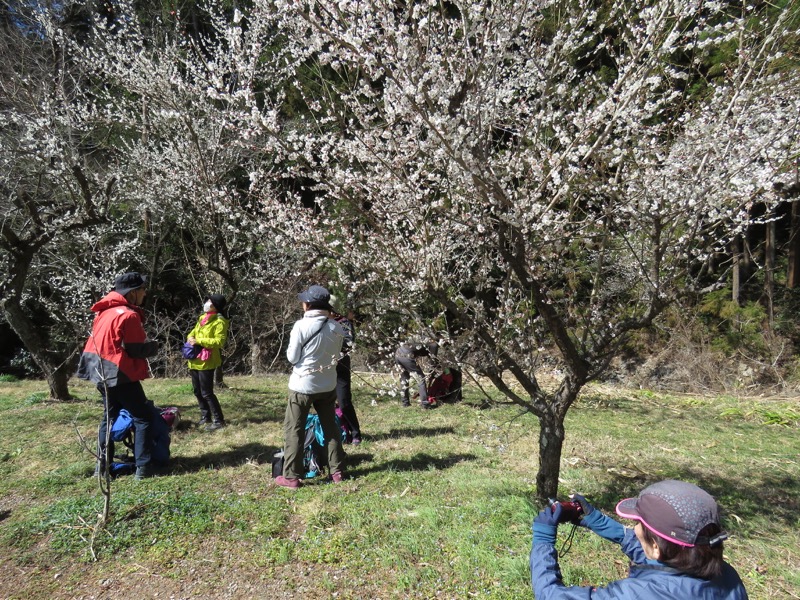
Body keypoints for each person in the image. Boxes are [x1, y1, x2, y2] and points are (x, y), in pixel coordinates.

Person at [531, 479, 748, 599]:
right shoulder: (726, 576)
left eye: (639, 525)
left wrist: (542, 539)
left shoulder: (636, 595)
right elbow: (668, 563)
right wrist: (599, 522)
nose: (634, 530)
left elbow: (550, 595)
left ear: (655, 547)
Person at [77, 272, 160, 480]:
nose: (144, 293)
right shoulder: (128, 315)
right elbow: (135, 350)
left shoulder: (104, 312)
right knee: (143, 417)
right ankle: (144, 469)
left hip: (98, 370)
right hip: (119, 373)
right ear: (133, 293)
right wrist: (154, 346)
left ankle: (102, 468)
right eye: (142, 289)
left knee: (109, 417)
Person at [276, 285, 347, 489]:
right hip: (327, 385)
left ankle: (291, 477)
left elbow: (292, 358)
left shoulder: (301, 326)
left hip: (302, 386)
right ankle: (337, 472)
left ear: (308, 305)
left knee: (294, 430)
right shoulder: (337, 327)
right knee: (331, 428)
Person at [186, 293, 229, 431]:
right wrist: (191, 338)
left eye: (210, 301)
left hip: (207, 361)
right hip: (195, 359)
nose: (207, 303)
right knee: (197, 391)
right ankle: (206, 416)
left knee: (207, 393)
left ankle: (219, 420)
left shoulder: (220, 321)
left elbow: (219, 342)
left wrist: (199, 341)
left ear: (215, 306)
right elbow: (192, 333)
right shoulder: (202, 318)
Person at [330, 305, 362, 444]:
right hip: (325, 368)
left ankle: (355, 432)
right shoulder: (321, 323)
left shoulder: (344, 322)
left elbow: (349, 342)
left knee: (344, 402)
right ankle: (338, 432)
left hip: (341, 366)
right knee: (328, 403)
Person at [395, 341, 439, 408]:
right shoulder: (434, 345)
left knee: (404, 378)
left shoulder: (425, 341)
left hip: (398, 353)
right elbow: (433, 360)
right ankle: (425, 404)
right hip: (407, 355)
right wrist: (433, 368)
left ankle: (405, 403)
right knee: (421, 378)